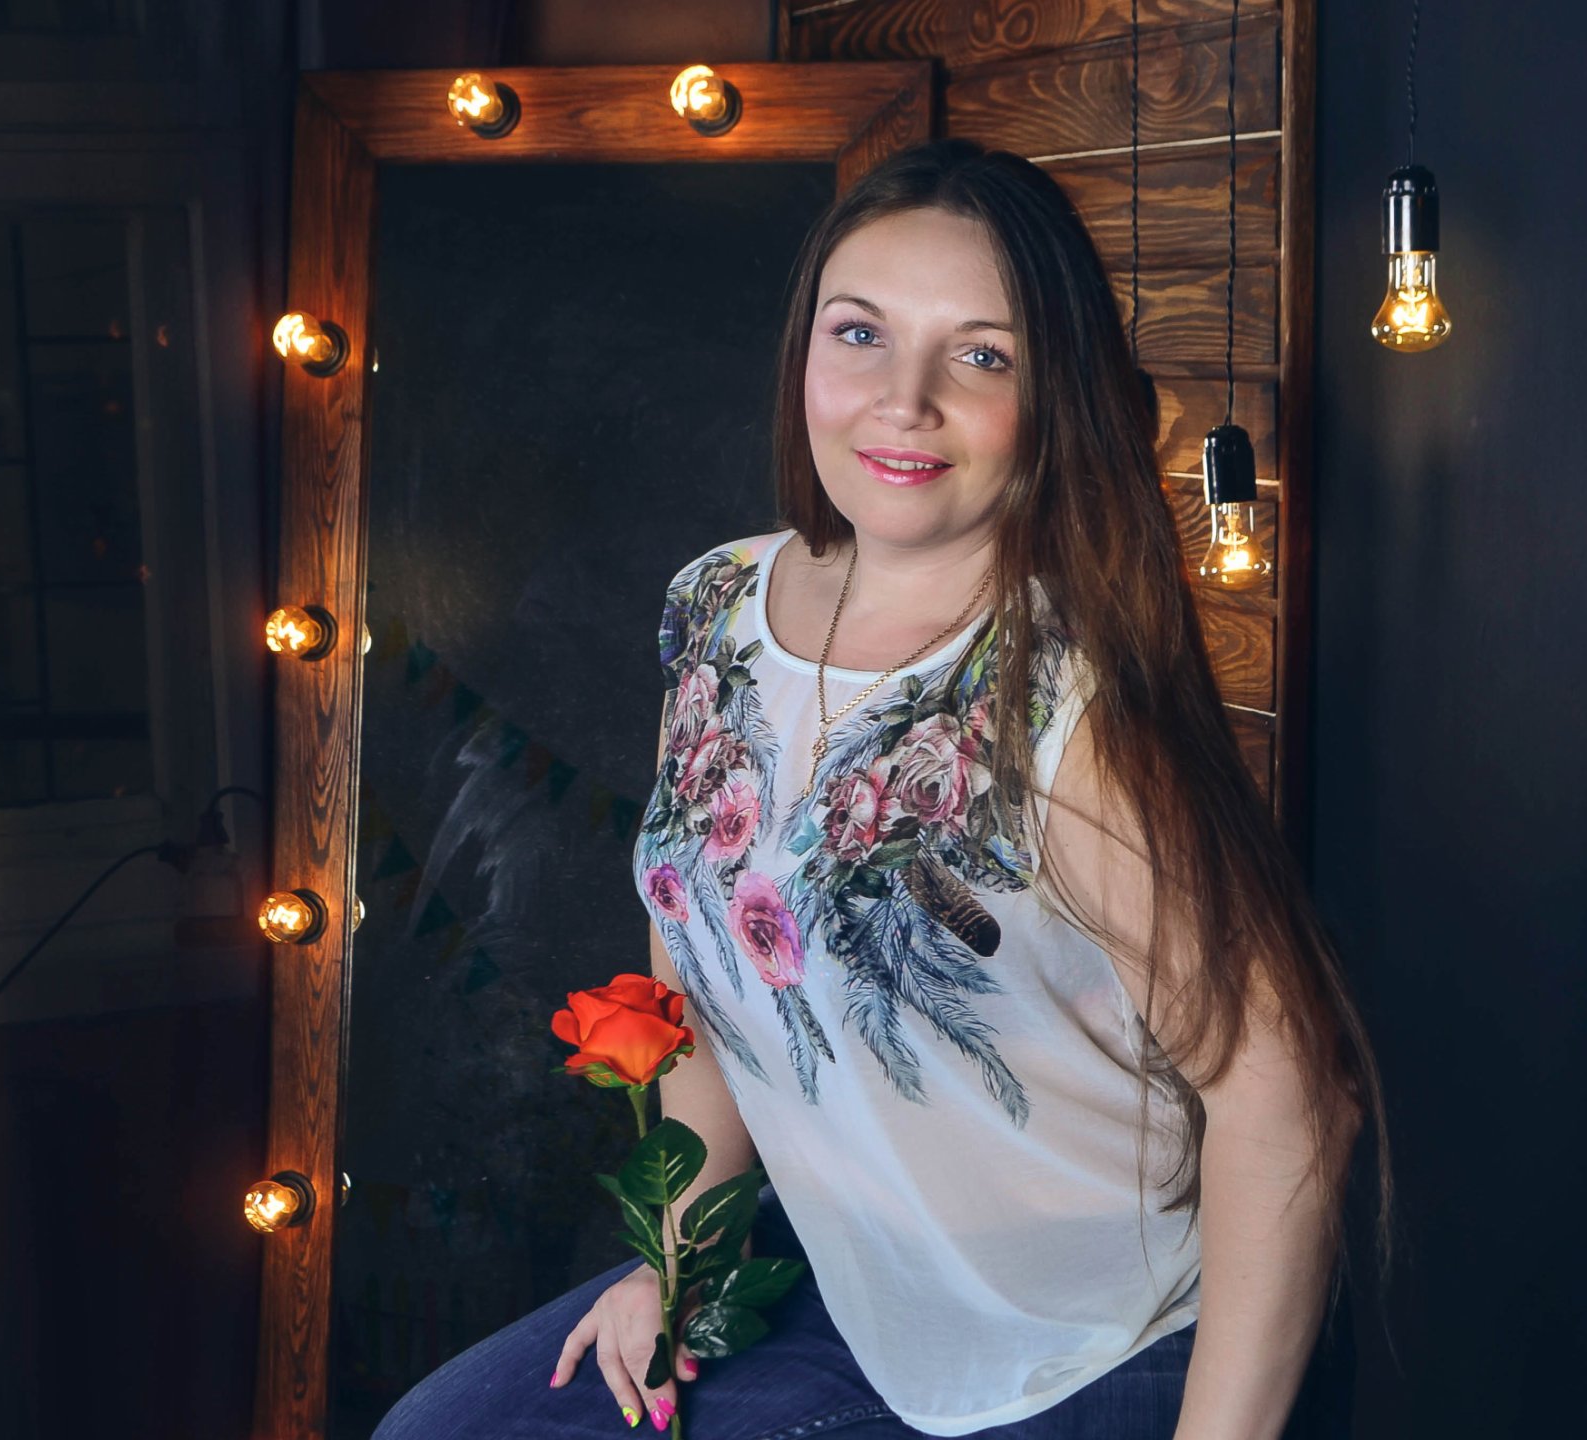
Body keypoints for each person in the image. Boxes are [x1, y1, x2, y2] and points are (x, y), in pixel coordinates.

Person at [373, 138, 1391, 1440]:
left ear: (1056, 398)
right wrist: (681, 1265)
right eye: (861, 334)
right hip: (862, 1305)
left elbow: (1292, 1100)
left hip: (1093, 1351)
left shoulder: (1064, 707)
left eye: (983, 356)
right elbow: (706, 975)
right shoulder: (717, 605)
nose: (904, 402)